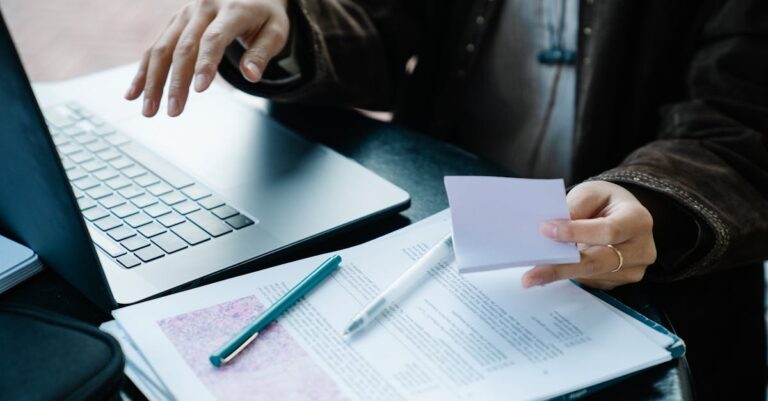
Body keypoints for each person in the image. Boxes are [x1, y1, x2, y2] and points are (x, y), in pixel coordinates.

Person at [125, 0, 768, 398]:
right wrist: (288, 24)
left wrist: (652, 200)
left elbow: (740, 123)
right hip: (436, 233)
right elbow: (374, 19)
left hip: (635, 275)